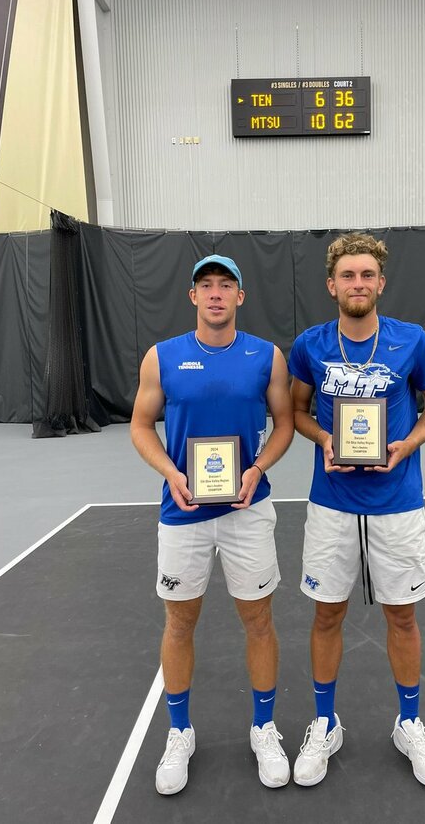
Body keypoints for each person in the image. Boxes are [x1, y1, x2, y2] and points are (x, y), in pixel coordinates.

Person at [288, 232, 425, 789]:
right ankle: (325, 722)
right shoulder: (310, 344)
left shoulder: (413, 341)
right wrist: (325, 440)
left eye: (367, 275)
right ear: (331, 284)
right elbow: (299, 410)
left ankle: (409, 722)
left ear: (381, 283)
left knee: (402, 616)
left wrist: (407, 446)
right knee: (326, 614)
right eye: (348, 275)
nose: (358, 284)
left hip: (397, 503)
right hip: (331, 503)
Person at [131, 254, 294, 794]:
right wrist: (171, 472)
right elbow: (140, 425)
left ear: (240, 297)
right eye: (207, 286)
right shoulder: (163, 357)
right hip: (183, 513)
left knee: (259, 622)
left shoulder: (265, 357)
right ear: (193, 296)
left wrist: (258, 468)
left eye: (227, 285)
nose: (217, 293)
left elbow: (285, 423)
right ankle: (180, 732)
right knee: (179, 624)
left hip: (248, 511)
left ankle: (264, 728)